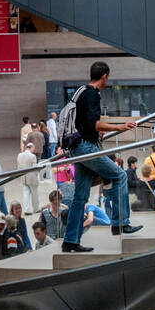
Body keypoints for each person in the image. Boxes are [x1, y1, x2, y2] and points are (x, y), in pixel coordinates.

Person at [61, 62, 142, 252]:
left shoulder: (80, 90)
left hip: (77, 146)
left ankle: (70, 241)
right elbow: (93, 123)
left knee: (80, 196)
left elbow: (85, 124)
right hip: (85, 148)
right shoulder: (93, 94)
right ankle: (120, 222)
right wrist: (119, 127)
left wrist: (94, 132)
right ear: (105, 76)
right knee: (119, 175)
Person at [15, 142, 38, 213]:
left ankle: (26, 210)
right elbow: (35, 168)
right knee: (35, 194)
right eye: (33, 148)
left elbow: (18, 165)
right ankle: (36, 209)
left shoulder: (19, 155)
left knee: (26, 194)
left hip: (23, 177)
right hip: (32, 178)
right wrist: (37, 177)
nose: (33, 150)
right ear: (31, 148)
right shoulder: (33, 156)